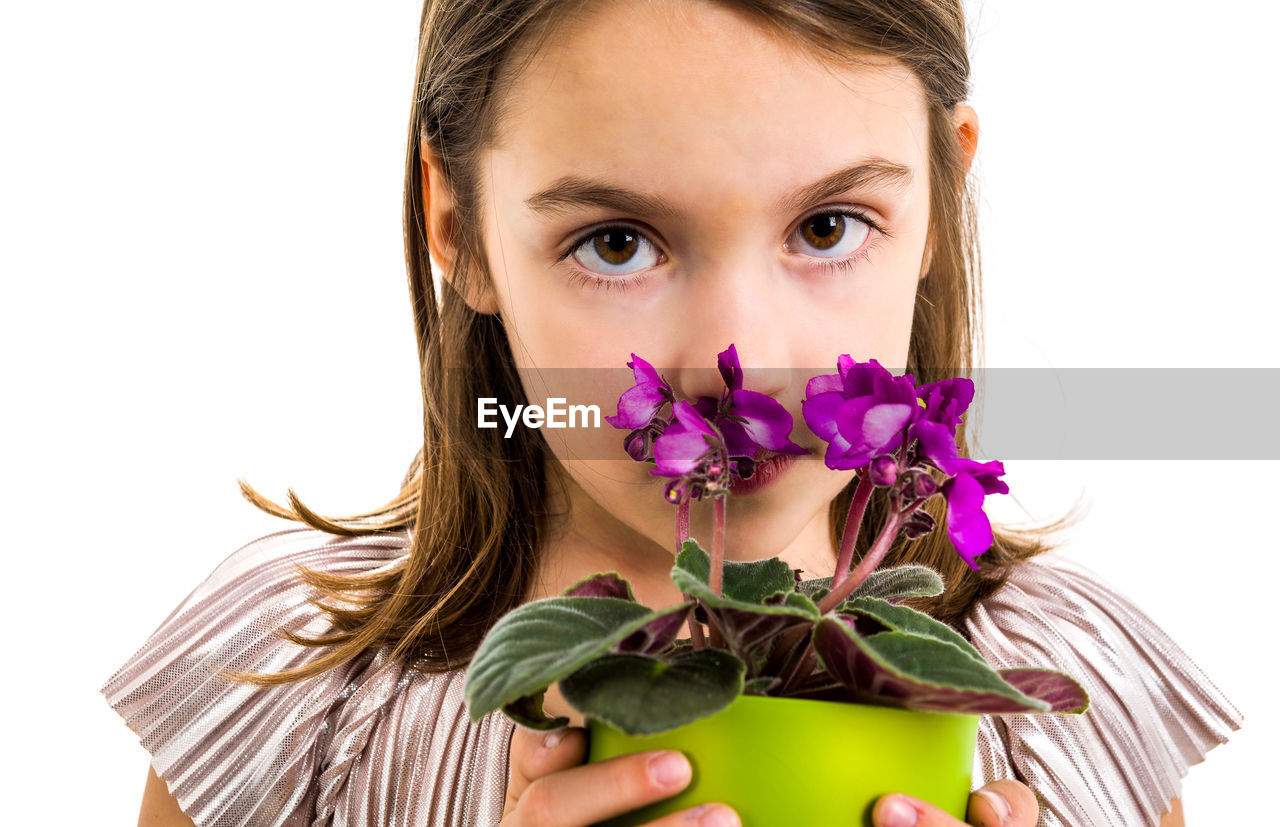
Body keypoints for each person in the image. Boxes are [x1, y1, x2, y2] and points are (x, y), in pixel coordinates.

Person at [102, 1, 1241, 825]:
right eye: (616, 243)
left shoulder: (1057, 696)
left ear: (939, 197)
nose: (733, 371)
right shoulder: (296, 677)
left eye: (829, 226)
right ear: (455, 225)